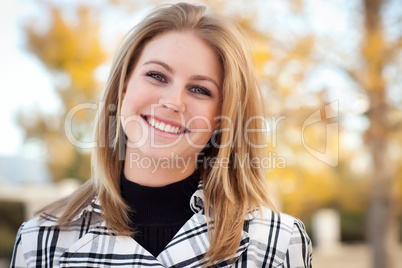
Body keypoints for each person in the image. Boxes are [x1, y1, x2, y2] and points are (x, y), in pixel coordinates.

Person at [11, 2, 312, 267]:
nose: (172, 102)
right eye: (156, 75)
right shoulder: (40, 241)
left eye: (200, 89)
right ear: (124, 85)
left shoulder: (278, 244)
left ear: (222, 118)